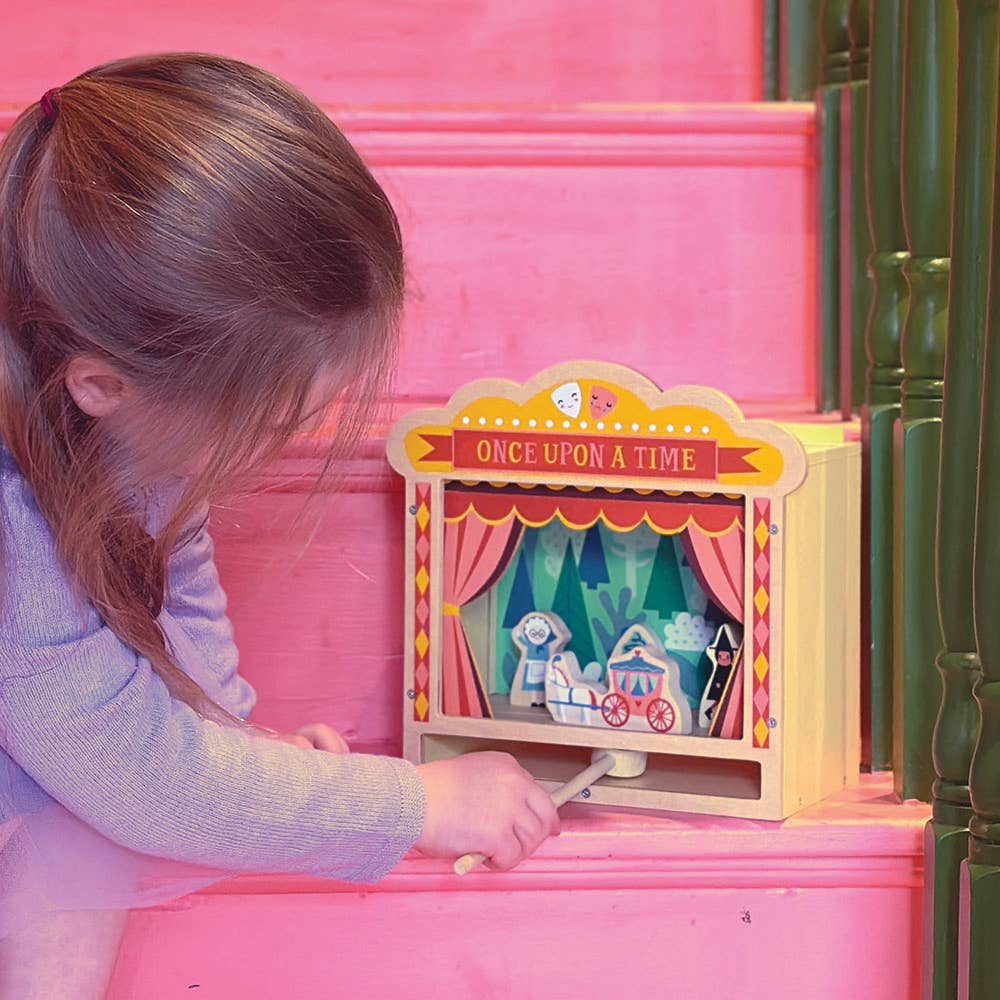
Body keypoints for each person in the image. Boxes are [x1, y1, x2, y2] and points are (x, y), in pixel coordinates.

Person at [0, 53, 558, 997]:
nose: (282, 446)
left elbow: (182, 628)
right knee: (79, 839)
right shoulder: (17, 526)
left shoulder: (124, 432)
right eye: (267, 424)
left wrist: (239, 750)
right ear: (101, 384)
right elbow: (138, 780)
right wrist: (410, 802)